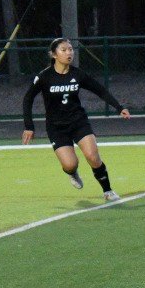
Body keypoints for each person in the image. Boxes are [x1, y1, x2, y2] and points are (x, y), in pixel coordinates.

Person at [21, 38, 131, 202]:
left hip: (78, 122)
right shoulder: (44, 76)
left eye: (71, 49)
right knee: (70, 164)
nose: (69, 53)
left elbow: (99, 90)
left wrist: (119, 107)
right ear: (54, 55)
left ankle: (108, 191)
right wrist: (29, 126)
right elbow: (28, 99)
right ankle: (72, 173)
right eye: (64, 50)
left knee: (93, 156)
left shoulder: (77, 74)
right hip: (56, 127)